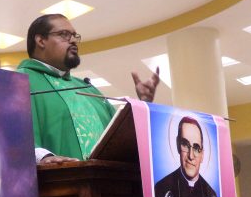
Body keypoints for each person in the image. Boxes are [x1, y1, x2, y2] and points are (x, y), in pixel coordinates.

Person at [17, 13, 160, 162]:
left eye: (74, 36)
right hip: (59, 176)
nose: (73, 40)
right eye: (64, 34)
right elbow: (10, 138)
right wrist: (42, 158)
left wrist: (143, 104)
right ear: (41, 40)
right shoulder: (18, 82)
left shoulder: (87, 89)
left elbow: (118, 136)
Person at [154, 116, 223, 197]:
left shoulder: (211, 196)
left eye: (196, 148)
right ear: (177, 145)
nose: (191, 156)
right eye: (185, 145)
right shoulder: (161, 189)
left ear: (202, 154)